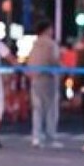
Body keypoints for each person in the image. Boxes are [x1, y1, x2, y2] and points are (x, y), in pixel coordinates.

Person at [26, 19, 62, 148]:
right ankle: (50, 137)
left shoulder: (34, 45)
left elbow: (29, 62)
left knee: (37, 109)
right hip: (49, 79)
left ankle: (36, 137)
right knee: (51, 109)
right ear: (46, 30)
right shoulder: (51, 44)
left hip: (35, 79)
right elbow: (54, 60)